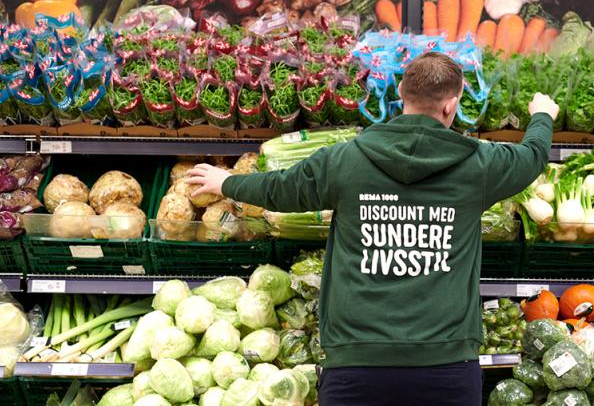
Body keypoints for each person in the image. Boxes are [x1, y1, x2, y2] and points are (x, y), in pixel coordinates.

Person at [188, 51, 559, 405]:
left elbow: (280, 190)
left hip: (355, 365)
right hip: (446, 366)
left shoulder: (346, 158)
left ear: (400, 95)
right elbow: (532, 157)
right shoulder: (480, 164)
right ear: (452, 105)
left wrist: (226, 182)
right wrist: (541, 115)